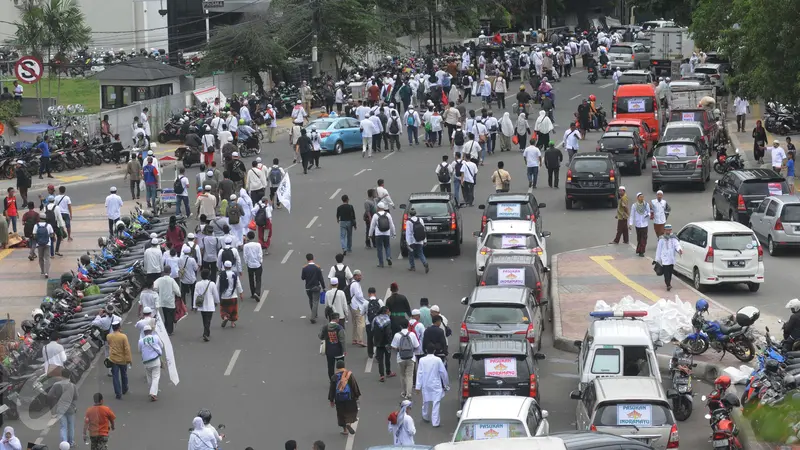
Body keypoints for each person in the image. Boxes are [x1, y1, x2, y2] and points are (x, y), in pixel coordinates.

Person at [415, 344, 449, 427]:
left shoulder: (422, 360)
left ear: (426, 350)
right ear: (434, 351)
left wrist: (418, 387)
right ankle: (435, 422)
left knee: (425, 401)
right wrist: (446, 384)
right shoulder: (437, 360)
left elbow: (419, 373)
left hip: (425, 384)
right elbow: (443, 373)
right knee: (436, 402)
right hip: (436, 384)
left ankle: (425, 416)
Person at [328, 359, 360, 435]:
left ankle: (345, 430)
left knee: (341, 413)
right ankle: (348, 423)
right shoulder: (349, 375)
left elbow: (332, 389)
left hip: (339, 399)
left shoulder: (334, 377)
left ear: (337, 367)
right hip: (350, 397)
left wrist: (331, 400)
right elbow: (354, 385)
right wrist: (357, 395)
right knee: (350, 411)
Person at [48, 368, 78, 446]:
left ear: (61, 375)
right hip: (70, 408)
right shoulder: (73, 386)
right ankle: (71, 442)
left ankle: (64, 444)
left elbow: (49, 395)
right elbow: (76, 397)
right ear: (70, 376)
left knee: (63, 427)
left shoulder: (56, 385)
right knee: (71, 426)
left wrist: (56, 398)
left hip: (60, 408)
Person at [106, 320, 131, 399]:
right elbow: (127, 349)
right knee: (124, 374)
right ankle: (124, 388)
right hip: (122, 359)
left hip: (113, 359)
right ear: (119, 327)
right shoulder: (123, 336)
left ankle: (118, 393)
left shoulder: (109, 336)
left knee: (115, 377)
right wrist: (129, 359)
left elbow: (109, 344)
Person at [138, 324, 164, 401]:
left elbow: (139, 350)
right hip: (155, 360)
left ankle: (152, 391)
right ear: (151, 331)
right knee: (156, 377)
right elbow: (161, 346)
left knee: (149, 377)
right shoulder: (155, 337)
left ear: (144, 332)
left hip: (146, 361)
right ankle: (153, 393)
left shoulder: (141, 341)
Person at [654, 224, 682, 291]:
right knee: (666, 272)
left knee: (670, 272)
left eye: (669, 230)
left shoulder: (673, 238)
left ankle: (668, 282)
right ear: (664, 230)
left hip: (671, 259)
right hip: (664, 259)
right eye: (667, 230)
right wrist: (657, 259)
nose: (668, 231)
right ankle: (668, 284)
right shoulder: (661, 239)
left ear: (671, 230)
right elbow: (659, 249)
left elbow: (677, 245)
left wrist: (679, 250)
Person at [194, 269, 219, 341]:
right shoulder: (212, 284)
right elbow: (215, 294)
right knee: (208, 319)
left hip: (201, 305)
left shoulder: (198, 284)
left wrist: (195, 306)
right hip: (210, 305)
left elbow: (195, 295)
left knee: (204, 319)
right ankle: (206, 333)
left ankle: (206, 332)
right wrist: (216, 301)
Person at [217, 260, 243, 328]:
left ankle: (225, 317)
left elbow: (217, 286)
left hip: (224, 296)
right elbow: (238, 285)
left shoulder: (220, 275)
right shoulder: (234, 274)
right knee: (234, 310)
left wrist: (216, 296)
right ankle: (232, 323)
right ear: (231, 267)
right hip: (233, 296)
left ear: (224, 267)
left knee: (224, 309)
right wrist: (241, 293)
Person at [319, 312, 346, 379]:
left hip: (329, 350)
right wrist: (344, 350)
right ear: (337, 319)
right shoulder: (340, 328)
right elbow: (342, 340)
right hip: (338, 351)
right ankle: (341, 379)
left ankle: (332, 380)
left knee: (330, 367)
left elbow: (320, 336)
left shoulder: (325, 327)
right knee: (340, 367)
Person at [369, 201, 395, 268]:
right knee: (387, 246)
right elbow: (391, 225)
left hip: (378, 234)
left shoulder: (375, 215)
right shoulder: (388, 214)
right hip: (387, 233)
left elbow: (372, 226)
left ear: (378, 207)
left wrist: (370, 234)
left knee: (379, 248)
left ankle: (381, 263)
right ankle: (388, 257)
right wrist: (393, 233)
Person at [302, 253, 325, 324]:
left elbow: (302, 278)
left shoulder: (304, 268)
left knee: (310, 300)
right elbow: (321, 278)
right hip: (316, 287)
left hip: (308, 287)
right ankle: (313, 316)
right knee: (315, 301)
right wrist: (324, 287)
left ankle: (314, 313)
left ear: (307, 259)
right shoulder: (317, 267)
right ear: (313, 258)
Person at [404, 208, 429, 273]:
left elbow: (408, 233)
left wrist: (407, 242)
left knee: (411, 254)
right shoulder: (420, 220)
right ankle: (425, 263)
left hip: (412, 241)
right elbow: (423, 230)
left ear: (410, 214)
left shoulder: (408, 222)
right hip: (419, 239)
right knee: (420, 253)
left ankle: (412, 267)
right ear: (416, 213)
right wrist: (425, 240)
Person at [32, 213, 54, 277]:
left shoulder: (36, 226)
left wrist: (39, 238)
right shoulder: (49, 225)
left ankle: (42, 271)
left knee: (40, 258)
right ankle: (47, 272)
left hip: (39, 244)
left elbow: (34, 235)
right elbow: (52, 234)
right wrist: (47, 236)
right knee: (47, 258)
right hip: (47, 244)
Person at [243, 231, 263, 300]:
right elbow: (260, 254)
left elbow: (245, 255)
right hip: (257, 264)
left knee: (251, 279)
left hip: (250, 264)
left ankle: (252, 293)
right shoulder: (258, 245)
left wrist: (247, 263)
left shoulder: (245, 246)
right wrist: (260, 261)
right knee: (258, 279)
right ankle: (257, 292)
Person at [629, 192, 651, 257]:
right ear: (637, 198)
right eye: (640, 197)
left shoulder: (646, 204)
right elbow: (632, 215)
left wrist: (647, 215)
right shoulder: (634, 205)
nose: (642, 198)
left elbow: (649, 212)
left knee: (644, 238)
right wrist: (630, 224)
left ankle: (642, 251)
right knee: (639, 238)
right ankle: (639, 250)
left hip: (644, 224)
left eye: (642, 197)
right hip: (638, 224)